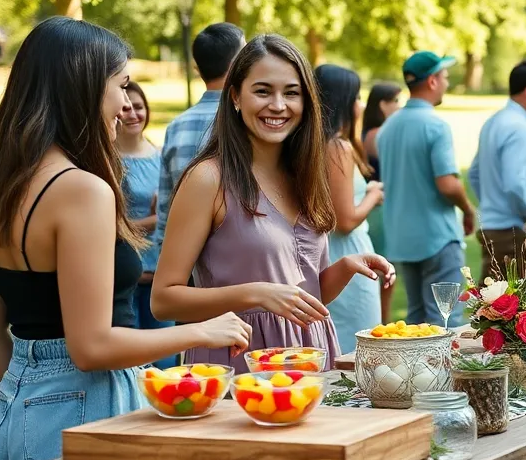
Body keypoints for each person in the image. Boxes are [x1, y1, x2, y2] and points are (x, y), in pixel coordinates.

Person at [0, 17, 250, 460]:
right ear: (83, 87)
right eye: (121, 84)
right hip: (86, 403)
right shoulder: (82, 191)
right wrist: (202, 331)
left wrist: (30, 392)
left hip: (13, 406)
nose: (126, 102)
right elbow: (90, 346)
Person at [153, 35, 395, 371]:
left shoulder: (306, 176)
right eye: (263, 91)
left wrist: (345, 267)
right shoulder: (208, 179)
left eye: (291, 93)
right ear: (236, 96)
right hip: (240, 367)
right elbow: (164, 300)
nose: (278, 105)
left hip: (310, 361)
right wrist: (256, 293)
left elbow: (302, 298)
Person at [379, 51, 475, 326]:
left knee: (416, 320)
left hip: (402, 239)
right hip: (437, 237)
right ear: (432, 81)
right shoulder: (436, 126)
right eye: (444, 77)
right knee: (446, 320)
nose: (447, 83)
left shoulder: (389, 126)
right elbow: (447, 183)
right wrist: (467, 209)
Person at [148, 23, 245, 284]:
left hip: (184, 267)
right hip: (238, 265)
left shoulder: (176, 126)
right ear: (237, 62)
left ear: (197, 68)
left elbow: (167, 201)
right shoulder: (246, 120)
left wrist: (164, 261)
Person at [316, 65, 385, 353]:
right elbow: (345, 219)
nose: (360, 105)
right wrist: (372, 194)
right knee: (361, 344)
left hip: (329, 253)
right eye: (357, 98)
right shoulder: (337, 147)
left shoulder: (317, 144)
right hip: (347, 252)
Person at [468, 60, 526, 279]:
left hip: (491, 226)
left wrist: (491, 204)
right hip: (510, 231)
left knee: (491, 299)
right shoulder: (518, 127)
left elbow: (474, 173)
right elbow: (515, 182)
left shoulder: (494, 121)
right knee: (506, 305)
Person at [115, 81, 175, 369]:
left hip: (161, 275)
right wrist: (156, 219)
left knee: (166, 363)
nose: (132, 114)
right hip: (127, 278)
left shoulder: (161, 154)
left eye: (138, 107)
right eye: (125, 108)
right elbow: (111, 227)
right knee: (133, 367)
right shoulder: (110, 162)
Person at [361, 81, 402, 323]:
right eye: (395, 101)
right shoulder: (376, 135)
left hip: (381, 207)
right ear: (382, 105)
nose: (399, 106)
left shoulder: (375, 132)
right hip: (378, 209)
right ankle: (382, 324)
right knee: (384, 275)